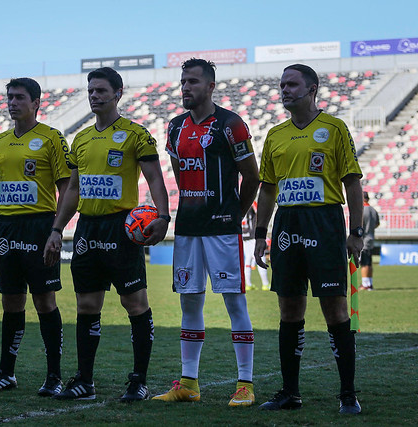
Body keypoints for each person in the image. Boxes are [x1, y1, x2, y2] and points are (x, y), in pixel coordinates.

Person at [43, 67, 170, 402]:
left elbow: (155, 179)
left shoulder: (135, 134)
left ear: (118, 93)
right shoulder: (81, 139)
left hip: (121, 230)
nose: (94, 95)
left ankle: (138, 381)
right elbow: (72, 189)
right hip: (87, 228)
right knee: (87, 304)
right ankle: (85, 380)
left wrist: (163, 216)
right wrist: (57, 228)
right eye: (90, 90)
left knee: (135, 303)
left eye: (100, 90)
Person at [254, 64, 363, 414]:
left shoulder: (334, 128)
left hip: (324, 221)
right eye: (281, 84)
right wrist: (260, 233)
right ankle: (290, 393)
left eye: (292, 84)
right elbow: (268, 189)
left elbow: (352, 183)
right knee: (289, 308)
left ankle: (348, 394)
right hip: (286, 224)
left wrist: (356, 232)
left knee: (334, 308)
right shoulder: (275, 135)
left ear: (312, 88)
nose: (284, 89)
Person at [152, 58, 260, 406]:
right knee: (190, 303)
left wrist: (234, 215)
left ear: (211, 86)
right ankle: (188, 383)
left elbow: (253, 177)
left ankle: (246, 384)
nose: (186, 87)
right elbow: (181, 176)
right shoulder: (175, 127)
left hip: (222, 231)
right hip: (187, 229)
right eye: (183, 81)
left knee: (235, 302)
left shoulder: (232, 125)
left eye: (194, 82)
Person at [0, 78, 70, 396]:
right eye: (10, 97)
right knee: (11, 301)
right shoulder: (1, 141)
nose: (13, 102)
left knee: (45, 301)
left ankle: (54, 375)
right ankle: (6, 373)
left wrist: (57, 231)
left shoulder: (51, 138)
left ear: (36, 103)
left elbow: (66, 187)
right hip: (7, 229)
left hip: (39, 226)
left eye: (20, 97)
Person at [243, 202, 270, 291]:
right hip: (252, 234)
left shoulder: (237, 203)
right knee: (260, 257)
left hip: (244, 235)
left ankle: (248, 284)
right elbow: (260, 211)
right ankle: (265, 284)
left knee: (248, 259)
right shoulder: (251, 202)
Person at [359, 191, 379, 291]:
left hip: (364, 240)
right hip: (371, 238)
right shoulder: (373, 210)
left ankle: (365, 284)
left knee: (364, 263)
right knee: (369, 263)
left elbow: (359, 225)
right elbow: (377, 224)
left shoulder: (362, 210)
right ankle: (370, 283)